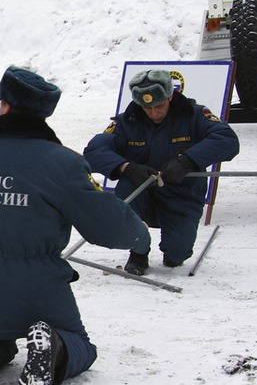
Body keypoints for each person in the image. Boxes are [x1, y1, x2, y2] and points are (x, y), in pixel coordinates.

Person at [0, 65, 151, 385]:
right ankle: (52, 347)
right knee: (79, 344)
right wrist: (140, 237)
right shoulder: (62, 163)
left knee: (0, 341)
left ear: (5, 106)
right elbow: (108, 227)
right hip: (37, 285)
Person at [84, 69, 240, 276]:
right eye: (146, 107)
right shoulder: (127, 121)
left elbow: (227, 140)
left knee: (177, 254)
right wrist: (126, 167)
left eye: (159, 106)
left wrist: (188, 161)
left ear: (170, 96)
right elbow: (94, 151)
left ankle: (174, 250)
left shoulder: (194, 115)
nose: (153, 113)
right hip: (141, 192)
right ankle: (139, 251)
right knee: (127, 200)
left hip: (181, 194)